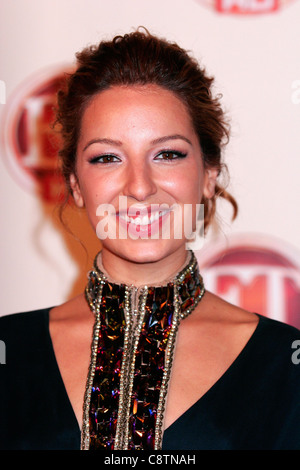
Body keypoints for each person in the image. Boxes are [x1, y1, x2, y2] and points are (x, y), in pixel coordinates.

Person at [0, 29, 299, 451]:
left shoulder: (286, 364)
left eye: (167, 154)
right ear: (76, 184)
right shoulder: (9, 351)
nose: (139, 187)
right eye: (107, 157)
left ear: (209, 174)